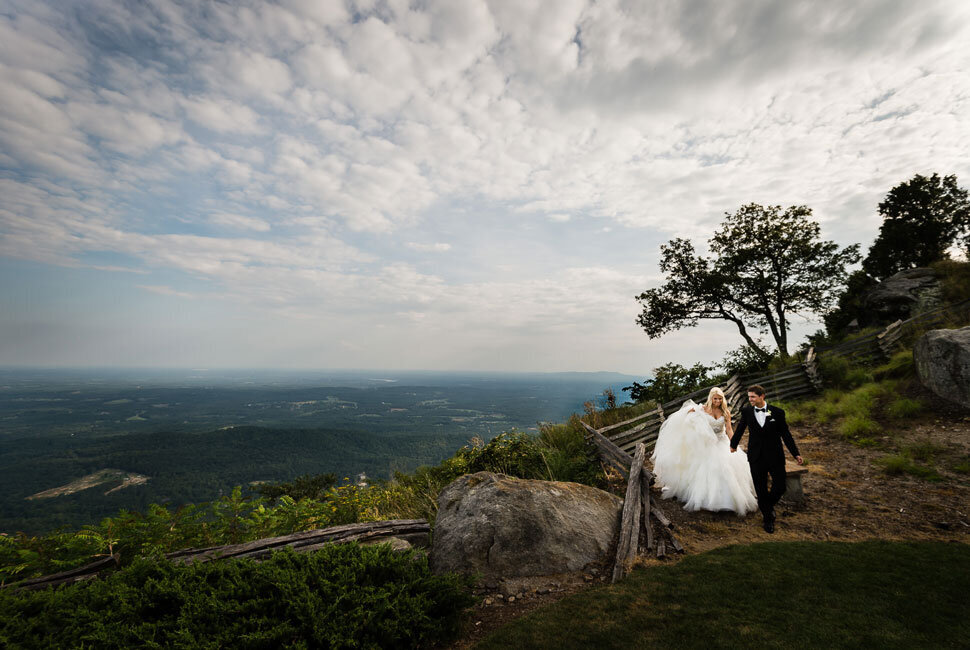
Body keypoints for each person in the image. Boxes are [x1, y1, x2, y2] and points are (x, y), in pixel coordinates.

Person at [650, 387, 758, 515]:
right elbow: (685, 416)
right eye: (715, 399)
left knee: (730, 467)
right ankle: (711, 500)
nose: (717, 401)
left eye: (720, 399)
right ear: (711, 398)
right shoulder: (703, 410)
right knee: (710, 470)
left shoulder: (725, 412)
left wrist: (733, 443)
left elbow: (729, 429)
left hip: (722, 442)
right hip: (708, 444)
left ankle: (730, 500)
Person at [730, 384, 804, 533]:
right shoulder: (746, 412)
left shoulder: (777, 412)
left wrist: (795, 453)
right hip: (756, 456)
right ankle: (768, 519)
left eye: (753, 397)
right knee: (760, 487)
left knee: (780, 486)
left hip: (775, 455)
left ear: (762, 396)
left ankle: (767, 506)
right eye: (749, 396)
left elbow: (786, 435)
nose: (750, 399)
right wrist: (733, 445)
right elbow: (740, 429)